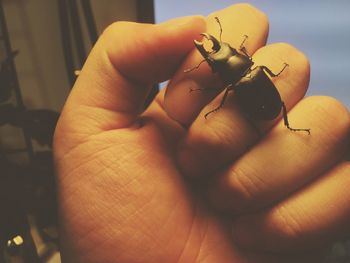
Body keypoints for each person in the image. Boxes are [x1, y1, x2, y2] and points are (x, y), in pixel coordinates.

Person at [53, 4, 350, 263]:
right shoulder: (252, 74)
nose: (217, 52)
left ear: (237, 57)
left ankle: (287, 128)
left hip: (259, 110)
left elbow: (221, 92)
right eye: (214, 58)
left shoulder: (238, 82)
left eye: (223, 54)